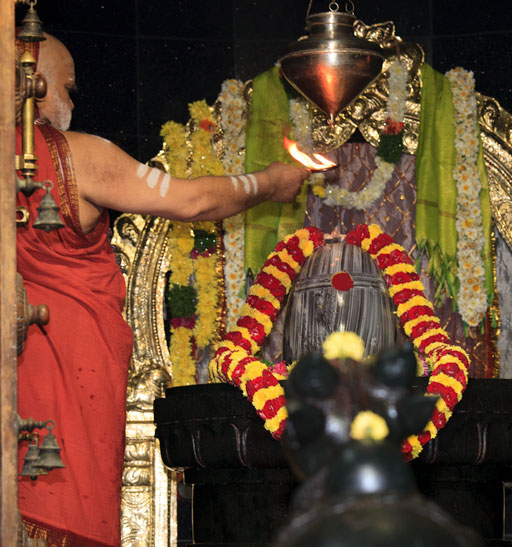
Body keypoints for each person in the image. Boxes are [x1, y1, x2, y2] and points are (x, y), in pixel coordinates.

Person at [16, 34, 308, 546]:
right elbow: (191, 201)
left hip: (19, 375)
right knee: (64, 509)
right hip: (66, 374)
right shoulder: (74, 156)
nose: (72, 103)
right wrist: (269, 183)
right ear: (34, 85)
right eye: (68, 88)